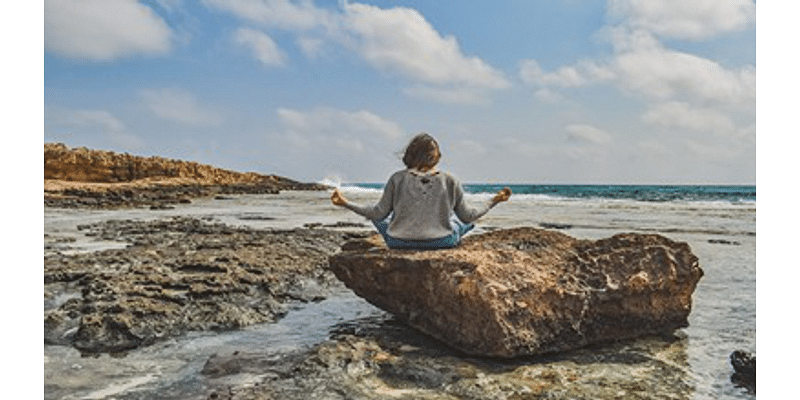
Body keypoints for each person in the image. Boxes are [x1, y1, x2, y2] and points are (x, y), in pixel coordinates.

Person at [331, 133, 511, 250]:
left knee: (379, 218)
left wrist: (345, 202)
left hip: (398, 242)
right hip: (441, 242)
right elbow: (469, 215)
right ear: (437, 157)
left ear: (409, 155)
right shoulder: (450, 179)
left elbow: (377, 213)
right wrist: (494, 200)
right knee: (462, 222)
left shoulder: (397, 178)